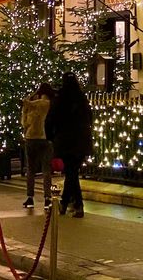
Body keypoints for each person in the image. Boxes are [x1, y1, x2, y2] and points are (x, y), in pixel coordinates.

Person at [49, 72, 93, 217]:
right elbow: (90, 118)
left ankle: (72, 204)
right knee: (72, 172)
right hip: (81, 141)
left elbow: (51, 120)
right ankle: (69, 204)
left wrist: (51, 137)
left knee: (71, 173)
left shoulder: (60, 99)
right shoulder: (82, 99)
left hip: (65, 141)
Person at [21, 83, 55, 210]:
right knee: (46, 170)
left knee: (30, 169)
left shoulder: (29, 104)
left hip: (30, 138)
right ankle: (47, 199)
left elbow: (24, 123)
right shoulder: (49, 104)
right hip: (45, 138)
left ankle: (30, 198)